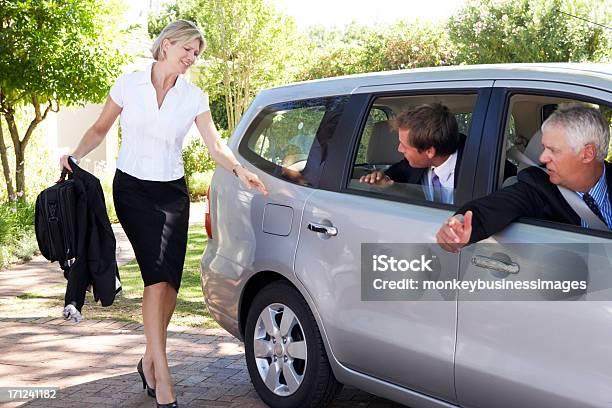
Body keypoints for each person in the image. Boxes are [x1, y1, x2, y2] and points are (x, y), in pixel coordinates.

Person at [60, 20, 267, 408]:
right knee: (156, 279)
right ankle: (164, 376)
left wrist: (240, 170)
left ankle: (147, 360)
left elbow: (216, 146)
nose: (192, 58)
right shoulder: (129, 84)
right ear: (167, 44)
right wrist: (74, 154)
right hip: (132, 189)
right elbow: (101, 127)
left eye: (196, 54)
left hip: (172, 193)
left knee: (169, 284)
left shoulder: (194, 97)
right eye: (187, 50)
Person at [436, 104, 611, 253]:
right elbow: (494, 206)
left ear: (587, 154)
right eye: (543, 148)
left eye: (553, 150)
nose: (542, 158)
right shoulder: (537, 185)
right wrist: (461, 225)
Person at [359, 103, 462, 204]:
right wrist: (383, 180)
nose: (399, 149)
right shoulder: (412, 164)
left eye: (404, 145)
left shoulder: (475, 176)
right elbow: (395, 175)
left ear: (430, 151)